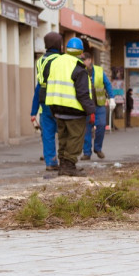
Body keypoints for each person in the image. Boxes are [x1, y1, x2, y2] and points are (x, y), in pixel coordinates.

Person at [45, 37, 96, 177]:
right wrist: (91, 111)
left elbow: (45, 82)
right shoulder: (79, 67)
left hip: (57, 108)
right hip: (74, 110)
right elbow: (83, 94)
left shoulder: (55, 62)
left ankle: (63, 165)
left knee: (63, 137)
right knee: (75, 138)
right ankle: (69, 165)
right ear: (81, 52)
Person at [29, 32, 62, 171]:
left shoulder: (40, 61)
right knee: (64, 132)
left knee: (47, 134)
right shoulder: (61, 60)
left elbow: (38, 86)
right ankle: (65, 160)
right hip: (60, 101)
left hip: (44, 102)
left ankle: (51, 162)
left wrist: (33, 110)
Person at [80, 51, 114, 160]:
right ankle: (86, 152)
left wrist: (111, 97)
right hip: (86, 105)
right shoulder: (80, 71)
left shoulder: (99, 71)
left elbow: (107, 84)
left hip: (99, 104)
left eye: (83, 59)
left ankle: (98, 148)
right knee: (87, 129)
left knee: (101, 125)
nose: (82, 61)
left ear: (89, 60)